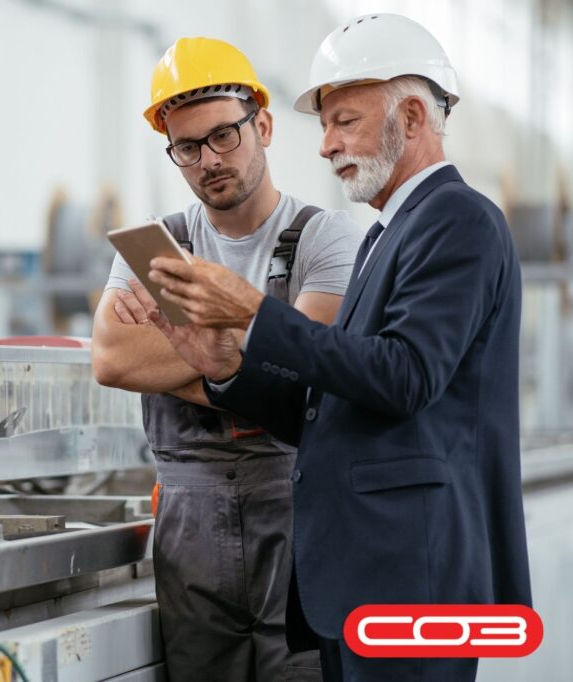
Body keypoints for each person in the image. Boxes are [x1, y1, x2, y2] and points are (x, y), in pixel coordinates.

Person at [137, 14, 533, 682]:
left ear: (410, 116)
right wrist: (227, 369)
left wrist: (254, 310)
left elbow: (405, 376)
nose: (324, 145)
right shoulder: (390, 233)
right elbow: (338, 403)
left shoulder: (458, 219)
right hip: (369, 578)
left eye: (342, 121)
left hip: (413, 580)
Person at [91, 37, 361, 681]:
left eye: (223, 136)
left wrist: (198, 349)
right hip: (188, 522)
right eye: (187, 146)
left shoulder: (325, 237)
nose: (208, 159)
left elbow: (307, 372)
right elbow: (111, 359)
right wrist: (245, 354)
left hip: (294, 511)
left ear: (262, 125)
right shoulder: (156, 244)